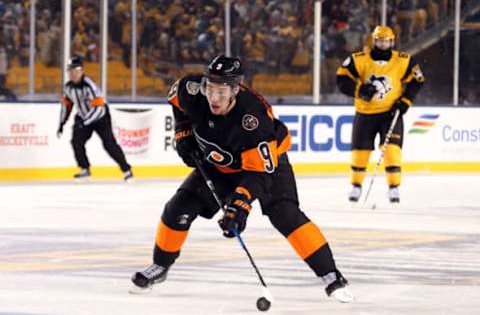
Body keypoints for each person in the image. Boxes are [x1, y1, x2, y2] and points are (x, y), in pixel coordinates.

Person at [130, 55, 354, 303]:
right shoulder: (192, 91)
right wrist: (183, 130)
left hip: (266, 167)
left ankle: (331, 275)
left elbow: (258, 174)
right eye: (210, 89)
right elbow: (175, 97)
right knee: (178, 208)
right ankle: (160, 266)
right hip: (220, 165)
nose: (214, 98)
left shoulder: (253, 119)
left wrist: (240, 206)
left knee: (285, 215)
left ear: (235, 90)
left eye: (222, 92)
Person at [336, 26, 425, 203]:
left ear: (392, 41)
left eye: (386, 40)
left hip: (391, 113)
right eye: (380, 40)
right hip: (365, 113)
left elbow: (418, 80)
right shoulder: (359, 59)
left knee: (392, 151)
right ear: (374, 40)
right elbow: (341, 78)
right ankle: (356, 185)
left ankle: (394, 188)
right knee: (360, 152)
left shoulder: (404, 60)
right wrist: (359, 90)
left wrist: (405, 101)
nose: (383, 44)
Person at [57, 56, 133, 181]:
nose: (73, 74)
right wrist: (61, 123)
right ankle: (85, 169)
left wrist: (85, 122)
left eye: (76, 71)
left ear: (82, 71)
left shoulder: (90, 86)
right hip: (83, 117)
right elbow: (67, 106)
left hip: (101, 118)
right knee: (76, 141)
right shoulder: (68, 88)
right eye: (70, 71)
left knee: (109, 144)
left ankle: (127, 170)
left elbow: (100, 109)